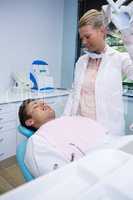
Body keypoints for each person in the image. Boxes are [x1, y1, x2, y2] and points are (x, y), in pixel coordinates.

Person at [63, 9, 133, 136]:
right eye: (82, 38)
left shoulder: (118, 58)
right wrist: (64, 121)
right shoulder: (81, 61)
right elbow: (74, 95)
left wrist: (128, 38)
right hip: (80, 128)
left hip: (107, 131)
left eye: (88, 36)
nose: (84, 42)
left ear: (102, 31)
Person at [18, 99, 108, 177]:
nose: (42, 104)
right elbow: (58, 177)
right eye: (35, 106)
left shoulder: (73, 119)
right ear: (30, 121)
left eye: (43, 103)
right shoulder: (37, 141)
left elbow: (104, 134)